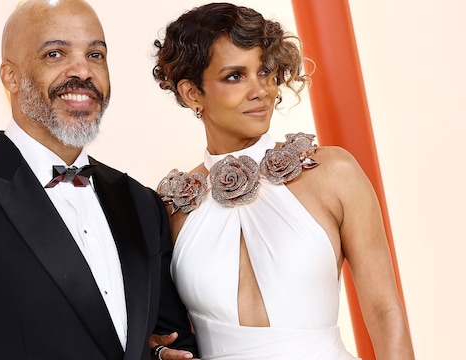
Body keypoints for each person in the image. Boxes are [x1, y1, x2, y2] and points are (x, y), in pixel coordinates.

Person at [0, 0, 197, 359]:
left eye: (96, 55)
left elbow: (171, 338)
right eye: (55, 54)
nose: (82, 71)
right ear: (10, 76)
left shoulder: (140, 202)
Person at [150, 3, 415, 359]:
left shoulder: (333, 172)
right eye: (235, 76)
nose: (261, 90)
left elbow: (385, 313)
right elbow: (156, 330)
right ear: (191, 93)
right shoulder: (173, 205)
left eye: (265, 71)